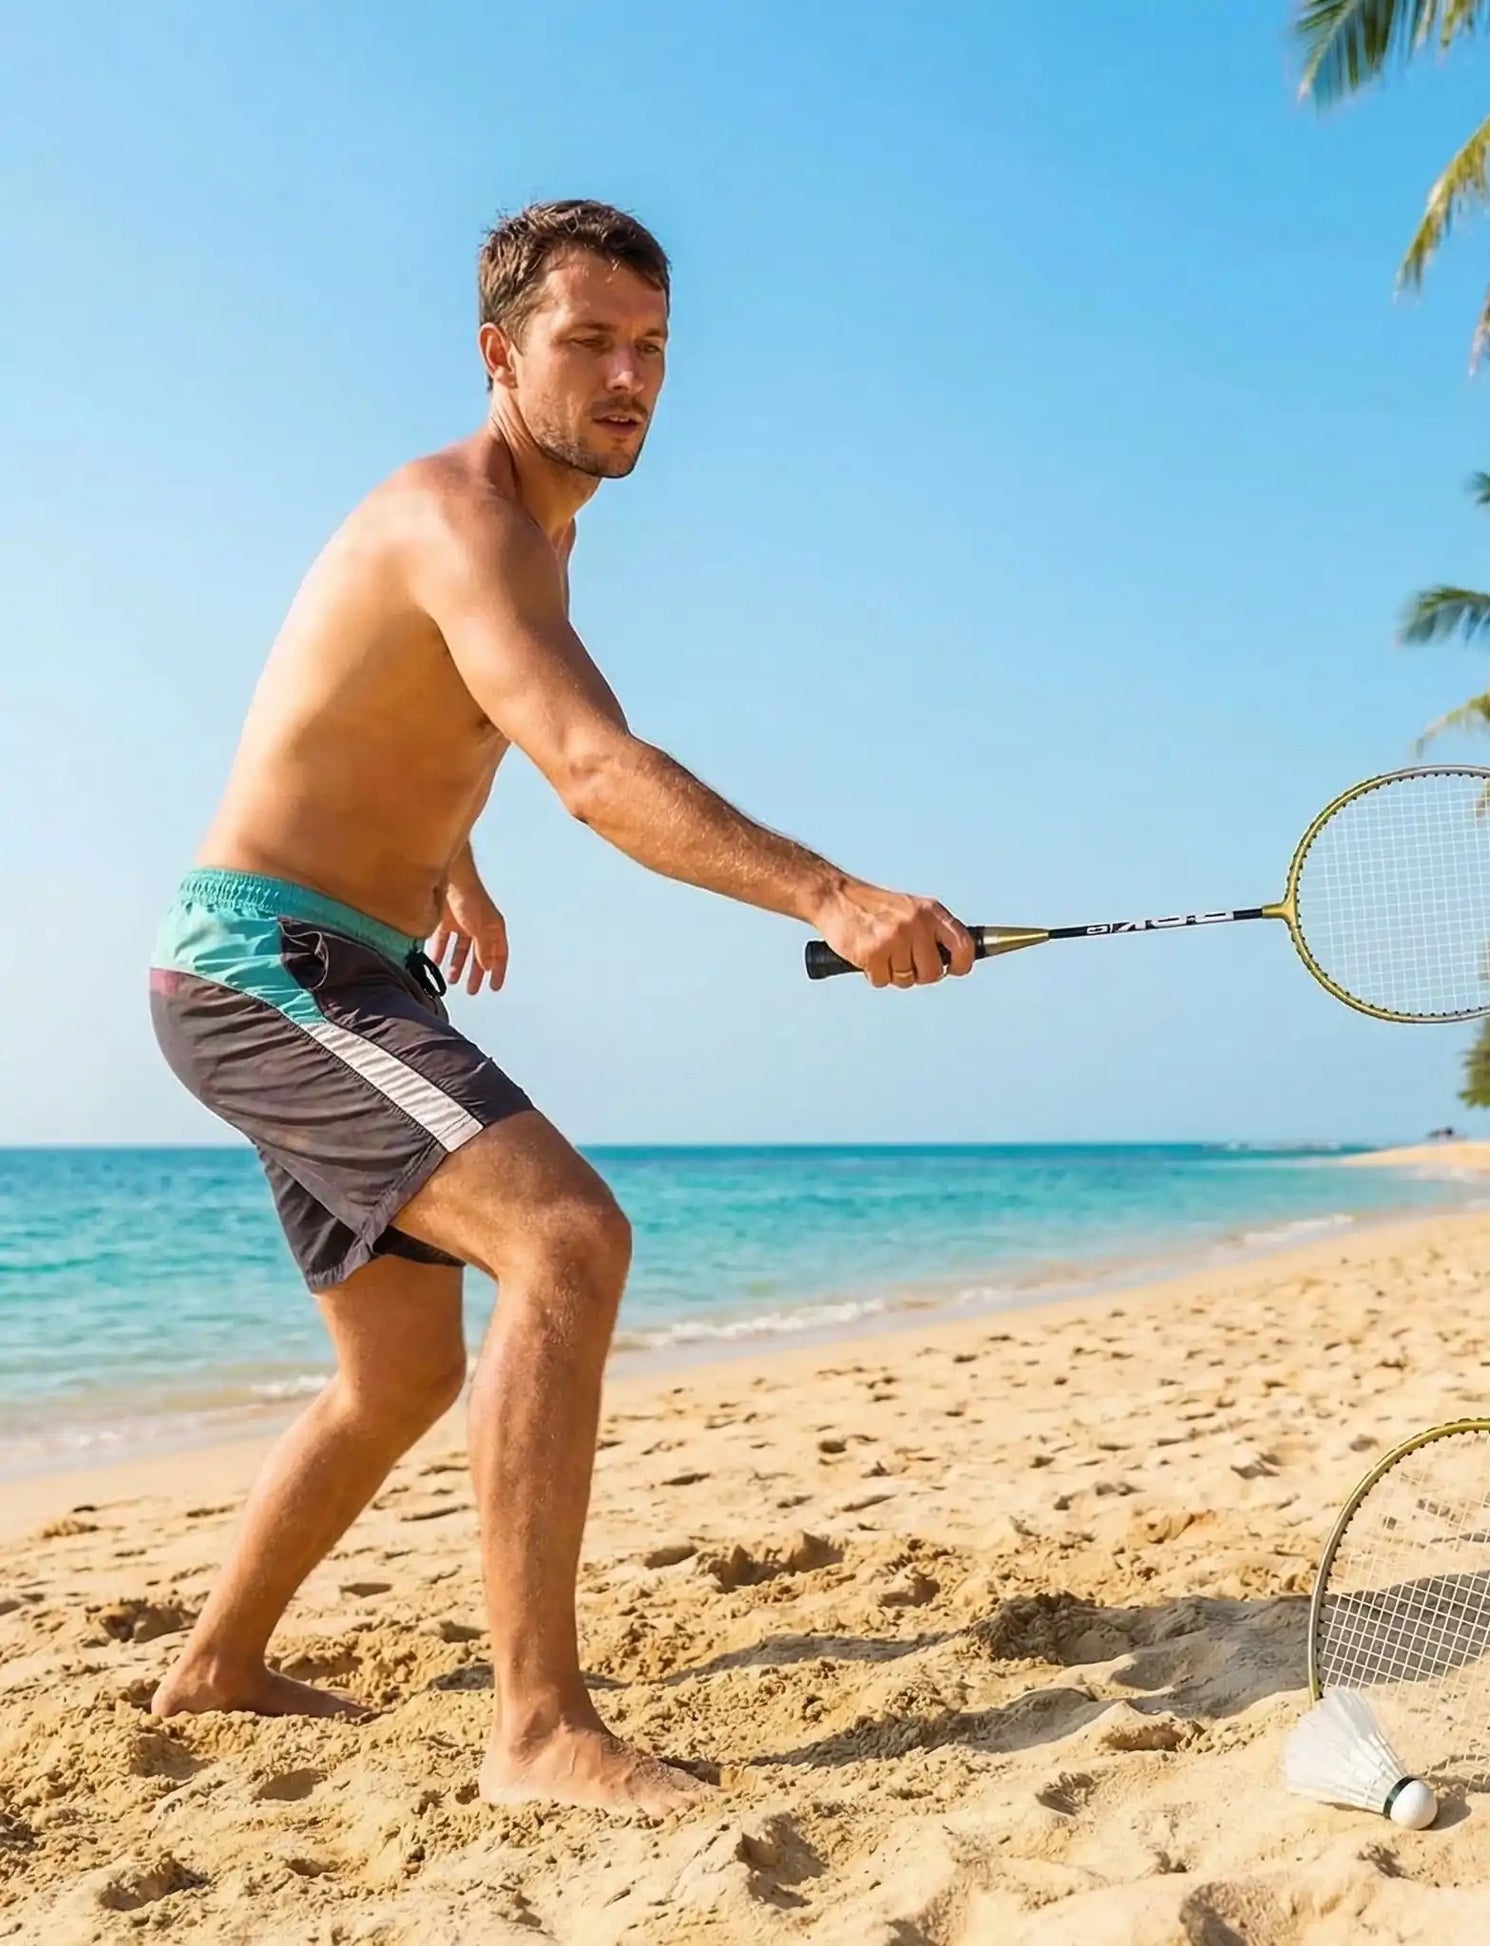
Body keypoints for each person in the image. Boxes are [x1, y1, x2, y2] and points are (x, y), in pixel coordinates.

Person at [146, 199, 975, 1817]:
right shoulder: (464, 518)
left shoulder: (542, 532)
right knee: (567, 1240)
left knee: (398, 1376)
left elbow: (406, 700)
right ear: (498, 353)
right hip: (267, 965)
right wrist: (834, 897)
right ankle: (536, 1731)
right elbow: (590, 768)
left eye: (651, 346)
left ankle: (217, 1662)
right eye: (589, 340)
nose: (628, 375)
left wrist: (445, 858)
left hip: (346, 958)